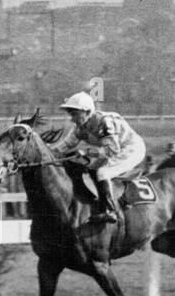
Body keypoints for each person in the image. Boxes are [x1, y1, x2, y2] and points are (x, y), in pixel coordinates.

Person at [47, 90, 145, 223]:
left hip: (130, 149)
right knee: (88, 167)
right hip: (111, 150)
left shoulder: (104, 122)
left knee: (103, 172)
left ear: (87, 112)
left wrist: (88, 152)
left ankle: (110, 211)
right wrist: (45, 152)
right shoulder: (79, 128)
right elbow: (64, 146)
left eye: (75, 114)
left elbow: (112, 150)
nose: (72, 118)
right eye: (71, 114)